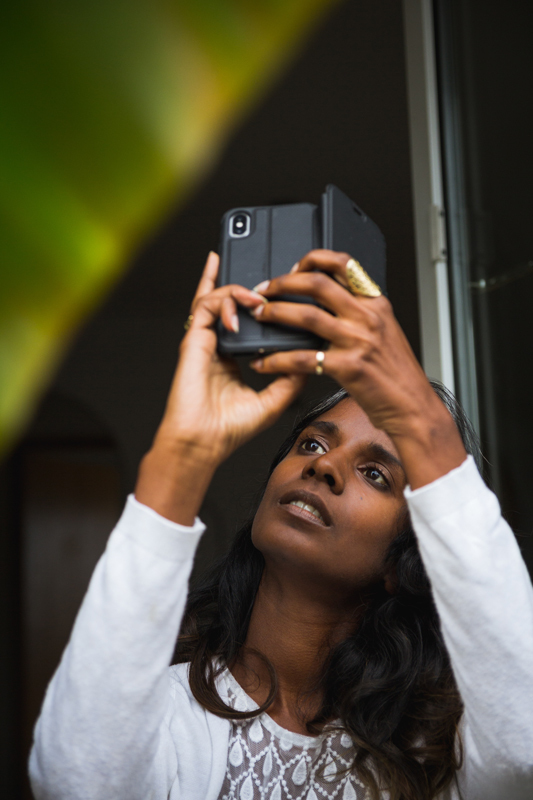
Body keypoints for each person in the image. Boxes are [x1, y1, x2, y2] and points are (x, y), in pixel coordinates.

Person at [29, 250, 533, 800]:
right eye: (312, 443)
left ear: (403, 562)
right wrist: (184, 454)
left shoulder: (437, 756)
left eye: (375, 474)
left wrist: (421, 421)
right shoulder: (169, 716)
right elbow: (75, 781)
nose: (323, 466)